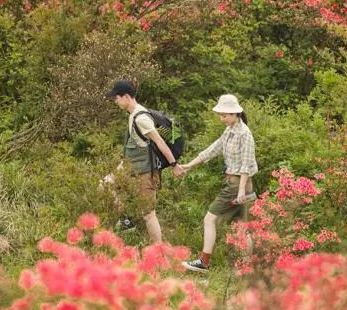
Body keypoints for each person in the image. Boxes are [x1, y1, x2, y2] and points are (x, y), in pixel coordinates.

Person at [174, 94, 257, 273]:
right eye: (220, 115)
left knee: (209, 219)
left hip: (238, 185)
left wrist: (241, 190)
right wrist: (189, 165)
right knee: (242, 228)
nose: (222, 118)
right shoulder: (229, 130)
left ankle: (204, 262)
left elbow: (246, 165)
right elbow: (212, 150)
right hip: (235, 184)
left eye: (224, 115)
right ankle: (247, 269)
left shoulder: (244, 134)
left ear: (235, 113)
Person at [106, 80, 179, 244]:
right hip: (132, 168)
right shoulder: (133, 115)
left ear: (126, 96)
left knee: (148, 214)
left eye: (116, 98)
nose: (115, 101)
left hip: (146, 172)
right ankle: (126, 220)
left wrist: (174, 165)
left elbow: (160, 142)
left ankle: (158, 249)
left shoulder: (141, 118)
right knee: (106, 185)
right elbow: (133, 148)